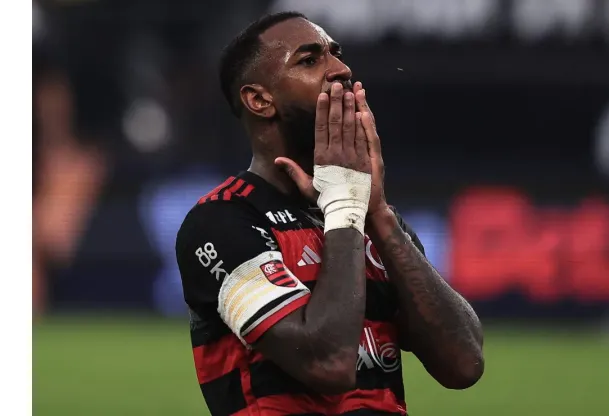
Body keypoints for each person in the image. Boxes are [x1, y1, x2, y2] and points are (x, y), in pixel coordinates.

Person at [175, 11, 484, 416]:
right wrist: (343, 207)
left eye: (336, 54)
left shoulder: (373, 222)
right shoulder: (223, 221)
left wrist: (378, 214)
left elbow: (463, 364)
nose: (341, 70)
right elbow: (327, 363)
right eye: (309, 60)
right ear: (259, 100)